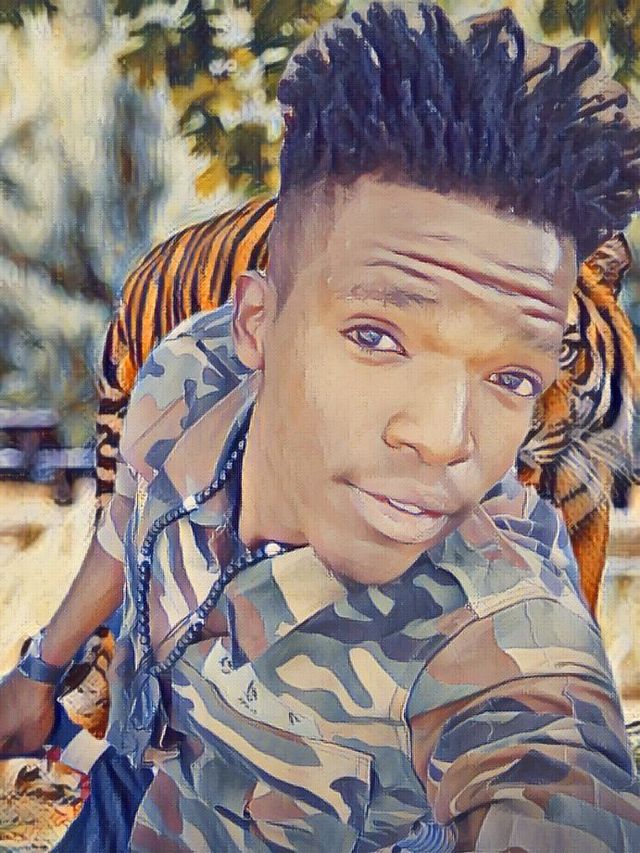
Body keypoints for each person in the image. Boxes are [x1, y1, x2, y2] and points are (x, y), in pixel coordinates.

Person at [2, 2, 640, 849]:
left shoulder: (504, 621)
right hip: (129, 789)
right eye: (378, 336)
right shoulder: (189, 369)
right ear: (257, 324)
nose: (447, 438)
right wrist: (39, 669)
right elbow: (129, 516)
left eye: (511, 375)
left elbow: (556, 778)